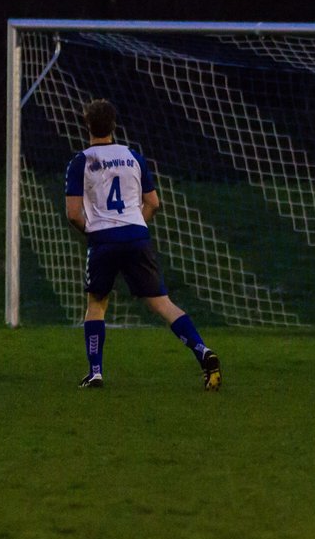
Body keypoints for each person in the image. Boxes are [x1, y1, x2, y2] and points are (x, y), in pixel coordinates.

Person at [64, 99, 222, 391]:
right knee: (162, 303)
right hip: (136, 235)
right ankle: (202, 351)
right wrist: (136, 225)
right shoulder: (133, 157)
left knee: (97, 303)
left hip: (103, 240)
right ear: (114, 125)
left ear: (87, 125)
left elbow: (73, 214)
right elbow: (153, 202)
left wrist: (94, 231)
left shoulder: (81, 161)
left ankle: (95, 372)